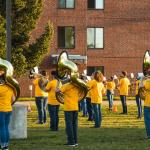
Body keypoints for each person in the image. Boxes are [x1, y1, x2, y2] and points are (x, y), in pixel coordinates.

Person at [57, 79, 81, 147]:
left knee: (69, 126)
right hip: (75, 107)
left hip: (68, 107)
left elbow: (57, 91)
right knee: (74, 125)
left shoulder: (66, 85)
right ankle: (75, 141)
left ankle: (71, 142)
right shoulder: (78, 86)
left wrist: (58, 81)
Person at [0, 69, 15, 150]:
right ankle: (6, 145)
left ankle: (3, 146)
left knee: (2, 128)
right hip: (9, 110)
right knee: (5, 127)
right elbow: (13, 99)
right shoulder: (10, 87)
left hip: (1, 110)